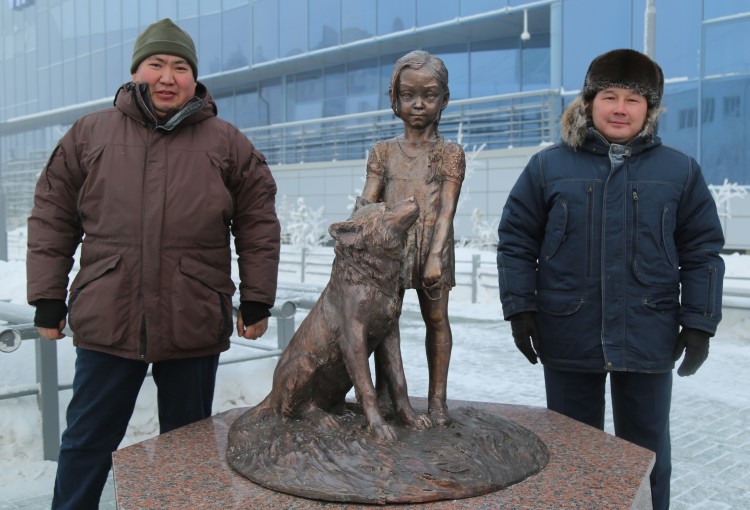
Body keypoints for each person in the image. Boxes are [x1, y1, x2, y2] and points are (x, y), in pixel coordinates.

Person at [26, 18, 281, 510]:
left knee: (187, 445)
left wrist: (256, 298)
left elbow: (257, 223)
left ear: (194, 77)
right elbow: (52, 216)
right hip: (109, 313)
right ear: (136, 71)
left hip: (193, 313)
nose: (168, 76)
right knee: (87, 441)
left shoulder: (227, 143)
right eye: (156, 64)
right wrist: (47, 298)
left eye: (180, 66)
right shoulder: (89, 134)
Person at [496, 48, 724, 510]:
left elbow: (702, 252)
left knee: (646, 454)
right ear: (589, 102)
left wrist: (699, 323)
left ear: (650, 110)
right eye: (609, 96)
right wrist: (520, 307)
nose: (620, 108)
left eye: (634, 100)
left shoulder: (680, 171)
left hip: (648, 332)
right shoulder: (547, 167)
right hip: (568, 329)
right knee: (569, 452)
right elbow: (516, 240)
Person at [356, 50, 465, 425]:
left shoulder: (450, 153)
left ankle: (437, 400)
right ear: (394, 99)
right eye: (408, 95)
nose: (418, 104)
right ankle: (387, 397)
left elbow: (447, 210)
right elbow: (370, 197)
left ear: (444, 100)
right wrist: (357, 221)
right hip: (391, 249)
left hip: (433, 244)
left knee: (436, 319)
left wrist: (435, 255)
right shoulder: (383, 151)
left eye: (429, 95)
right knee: (385, 322)